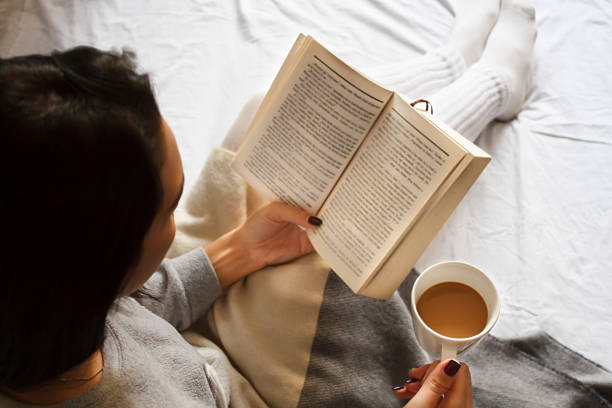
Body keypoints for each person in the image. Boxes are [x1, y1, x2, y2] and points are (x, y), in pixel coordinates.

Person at [0, 0, 535, 406]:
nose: (174, 215)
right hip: (244, 384)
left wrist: (240, 251)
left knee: (264, 121)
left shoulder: (37, 306)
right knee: (346, 235)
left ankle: (448, 66)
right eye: (169, 207)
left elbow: (136, 306)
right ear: (97, 272)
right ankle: (490, 85)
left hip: (196, 341)